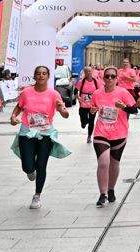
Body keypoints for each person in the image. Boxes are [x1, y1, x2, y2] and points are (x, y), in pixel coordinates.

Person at [10, 65, 70, 210]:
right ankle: (30, 171)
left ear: (48, 76)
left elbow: (65, 114)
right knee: (28, 166)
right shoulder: (26, 92)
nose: (41, 76)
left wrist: (63, 109)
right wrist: (13, 117)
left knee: (42, 165)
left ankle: (37, 196)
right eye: (38, 73)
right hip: (27, 132)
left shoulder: (54, 94)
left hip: (45, 134)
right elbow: (19, 106)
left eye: (44, 74)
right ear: (34, 76)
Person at [89, 66, 138, 207]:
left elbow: (134, 110)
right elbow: (93, 110)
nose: (110, 78)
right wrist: (92, 111)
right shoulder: (97, 93)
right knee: (103, 163)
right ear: (103, 78)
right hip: (101, 132)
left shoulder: (123, 92)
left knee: (114, 164)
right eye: (107, 76)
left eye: (112, 76)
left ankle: (111, 189)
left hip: (119, 133)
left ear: (117, 79)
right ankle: (102, 194)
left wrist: (123, 107)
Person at [76, 67, 99, 143]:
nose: (89, 73)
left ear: (92, 72)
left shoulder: (96, 81)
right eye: (87, 71)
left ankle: (89, 136)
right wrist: (78, 98)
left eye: (90, 71)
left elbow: (100, 92)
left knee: (91, 121)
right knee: (83, 118)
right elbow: (75, 92)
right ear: (84, 73)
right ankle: (83, 123)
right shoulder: (81, 82)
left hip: (93, 105)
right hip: (83, 104)